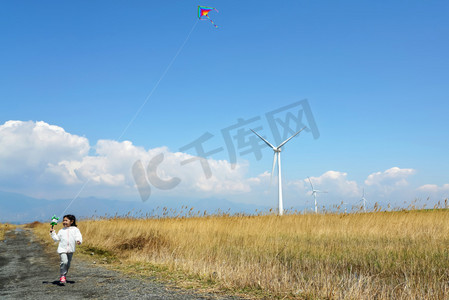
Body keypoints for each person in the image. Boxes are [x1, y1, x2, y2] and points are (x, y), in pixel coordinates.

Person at [50, 214, 83, 284]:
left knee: (68, 264)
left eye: (66, 220)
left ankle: (64, 275)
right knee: (64, 262)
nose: (64, 222)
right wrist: (52, 233)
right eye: (63, 220)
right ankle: (62, 275)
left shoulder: (75, 229)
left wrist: (78, 240)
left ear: (71, 221)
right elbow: (56, 239)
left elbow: (78, 236)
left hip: (71, 250)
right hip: (62, 249)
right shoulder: (61, 230)